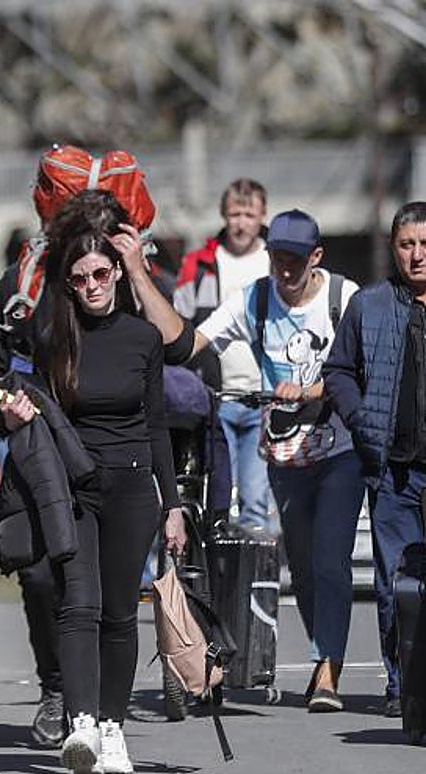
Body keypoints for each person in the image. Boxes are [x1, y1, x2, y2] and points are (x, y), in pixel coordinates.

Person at [0, 182, 191, 748]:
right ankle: (81, 724)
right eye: (80, 278)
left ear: (115, 270)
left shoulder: (143, 335)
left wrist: (173, 505)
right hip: (70, 486)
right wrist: (4, 420)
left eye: (100, 274)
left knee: (119, 613)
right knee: (76, 601)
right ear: (66, 279)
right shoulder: (48, 333)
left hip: (135, 486)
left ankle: (112, 727)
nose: (91, 286)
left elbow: (159, 418)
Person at [159, 209, 362, 711]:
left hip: (340, 445)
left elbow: (359, 368)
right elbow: (190, 344)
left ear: (316, 257)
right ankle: (323, 653)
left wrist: (312, 389)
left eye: (295, 260)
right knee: (307, 567)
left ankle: (327, 669)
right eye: (277, 258)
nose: (285, 270)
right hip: (286, 453)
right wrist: (141, 292)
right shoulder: (256, 298)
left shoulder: (345, 298)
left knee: (332, 560)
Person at [323, 201, 426, 718]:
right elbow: (338, 370)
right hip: (392, 472)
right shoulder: (369, 305)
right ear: (393, 247)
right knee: (395, 586)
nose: (417, 255)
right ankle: (402, 685)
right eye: (407, 244)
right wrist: (362, 421)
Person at [173, 179, 274, 532]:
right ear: (223, 215)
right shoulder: (200, 264)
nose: (241, 222)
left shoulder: (275, 262)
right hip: (215, 398)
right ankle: (215, 581)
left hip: (263, 399)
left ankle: (254, 584)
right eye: (235, 213)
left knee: (255, 500)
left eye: (249, 214)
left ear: (263, 215)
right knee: (213, 499)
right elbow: (179, 325)